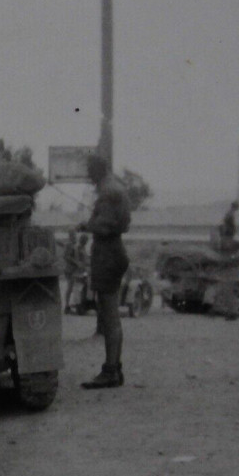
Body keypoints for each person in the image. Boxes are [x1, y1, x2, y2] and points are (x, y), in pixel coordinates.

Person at [81, 154, 132, 389]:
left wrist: (86, 225)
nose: (89, 179)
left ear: (95, 172)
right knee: (110, 314)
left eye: (90, 173)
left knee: (110, 315)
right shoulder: (115, 187)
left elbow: (104, 225)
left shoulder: (108, 191)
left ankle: (110, 370)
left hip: (108, 253)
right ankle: (114, 368)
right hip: (113, 252)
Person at [63, 228, 85, 313]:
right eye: (73, 235)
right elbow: (66, 256)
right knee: (70, 287)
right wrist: (76, 262)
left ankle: (71, 304)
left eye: (75, 235)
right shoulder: (69, 245)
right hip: (70, 269)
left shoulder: (73, 245)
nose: (75, 237)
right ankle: (67, 306)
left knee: (73, 287)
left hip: (74, 269)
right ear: (70, 236)